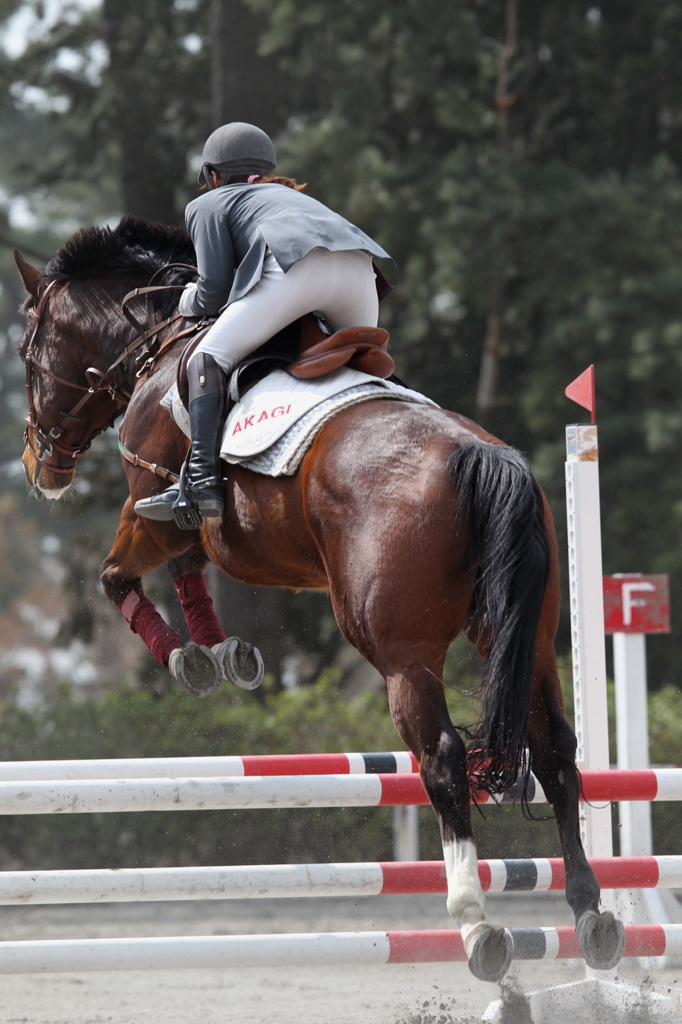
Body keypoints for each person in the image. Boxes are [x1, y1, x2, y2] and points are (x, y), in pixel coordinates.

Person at [135, 121, 392, 526]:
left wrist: (183, 299)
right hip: (359, 269)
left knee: (206, 358)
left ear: (213, 175)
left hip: (299, 266)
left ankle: (202, 476)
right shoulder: (287, 195)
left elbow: (213, 291)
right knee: (365, 364)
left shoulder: (207, 203)